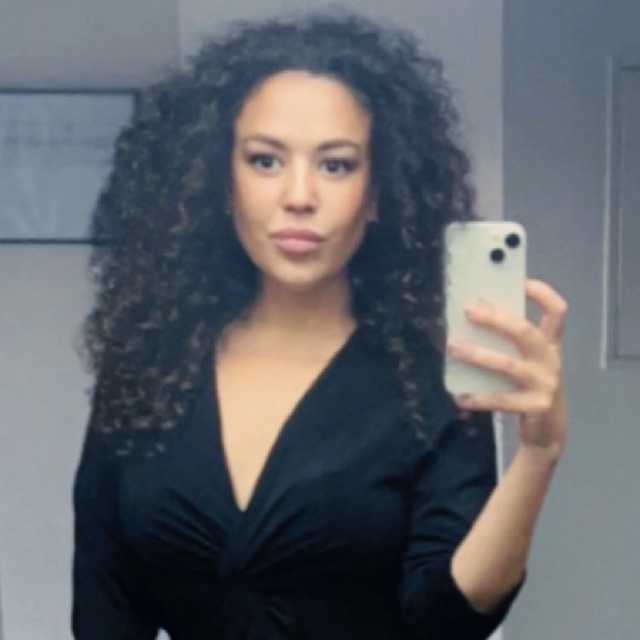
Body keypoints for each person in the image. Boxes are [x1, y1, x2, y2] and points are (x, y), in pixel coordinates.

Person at [72, 8, 569, 639]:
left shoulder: (427, 380)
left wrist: (539, 456)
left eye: (336, 165)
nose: (299, 196)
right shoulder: (147, 368)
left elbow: (446, 614)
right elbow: (103, 605)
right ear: (222, 183)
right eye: (265, 160)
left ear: (379, 193)